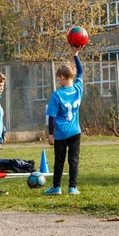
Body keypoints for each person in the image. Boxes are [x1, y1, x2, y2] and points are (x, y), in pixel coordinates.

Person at [44, 46, 84, 196]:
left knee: (59, 160)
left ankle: (56, 187)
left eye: (58, 78)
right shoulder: (78, 88)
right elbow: (80, 72)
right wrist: (76, 55)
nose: (58, 81)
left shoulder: (57, 95)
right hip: (75, 131)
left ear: (62, 77)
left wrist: (50, 134)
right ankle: (72, 188)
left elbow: (52, 116)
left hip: (61, 133)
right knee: (74, 160)